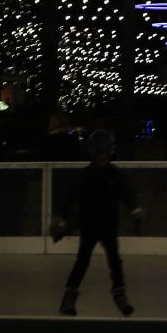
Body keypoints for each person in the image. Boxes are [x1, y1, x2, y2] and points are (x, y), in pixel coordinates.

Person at [57, 129, 140, 316]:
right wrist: (60, 216)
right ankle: (69, 298)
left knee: (115, 262)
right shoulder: (85, 175)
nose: (101, 159)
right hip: (89, 225)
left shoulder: (114, 174)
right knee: (83, 261)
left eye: (104, 154)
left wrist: (134, 207)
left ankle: (120, 295)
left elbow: (126, 193)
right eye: (98, 155)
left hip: (108, 225)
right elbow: (69, 197)